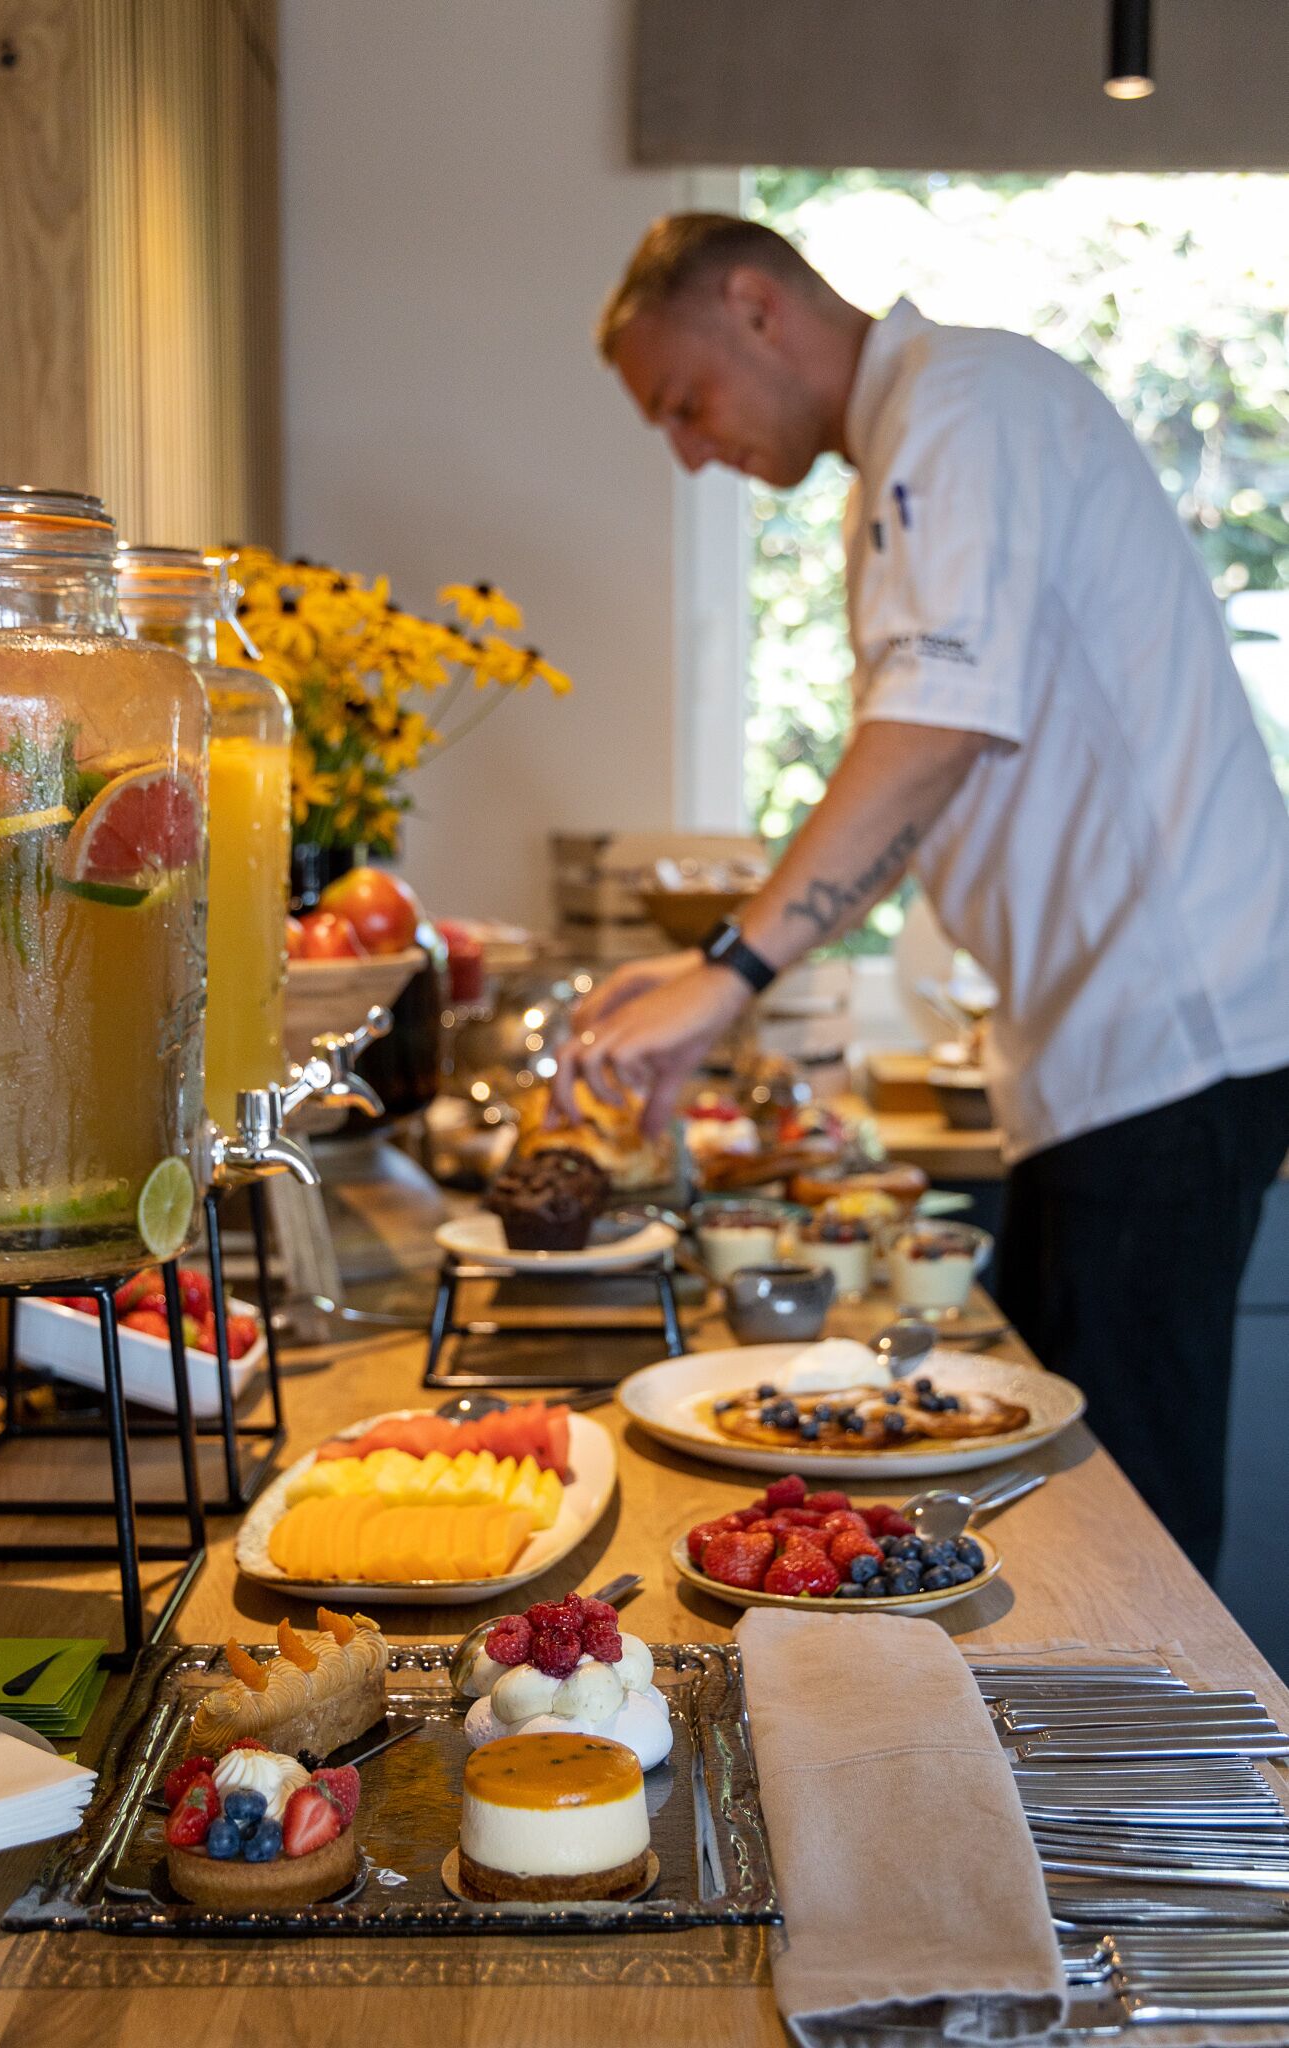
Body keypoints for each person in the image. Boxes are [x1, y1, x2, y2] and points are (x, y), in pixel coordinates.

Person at [553, 211, 1289, 1577]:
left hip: (1165, 1037)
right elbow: (913, 797)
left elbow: (929, 738)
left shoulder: (964, 405)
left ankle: (1163, 1727)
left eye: (685, 401)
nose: (691, 451)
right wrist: (712, 978)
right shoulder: (907, 449)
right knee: (1060, 1495)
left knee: (1124, 1531)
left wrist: (729, 970)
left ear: (757, 305)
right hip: (1100, 1047)